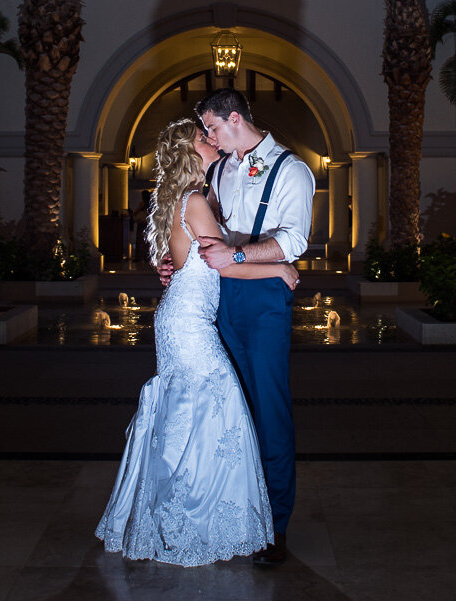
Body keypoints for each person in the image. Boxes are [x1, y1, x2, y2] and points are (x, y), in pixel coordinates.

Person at [95, 118, 300, 567]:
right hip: (189, 326)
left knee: (191, 417)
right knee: (211, 412)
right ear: (190, 155)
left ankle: (183, 515)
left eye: (210, 134)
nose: (211, 141)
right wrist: (278, 269)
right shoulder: (194, 200)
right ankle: (190, 520)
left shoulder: (188, 198)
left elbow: (197, 260)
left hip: (180, 320)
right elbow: (221, 264)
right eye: (202, 138)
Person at [164, 88, 315, 566]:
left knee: (270, 411)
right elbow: (200, 234)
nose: (207, 139)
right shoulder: (216, 169)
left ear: (233, 119)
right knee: (230, 411)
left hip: (263, 300)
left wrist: (243, 256)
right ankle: (233, 512)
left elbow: (295, 239)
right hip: (218, 299)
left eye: (210, 128)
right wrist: (176, 263)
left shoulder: (293, 169)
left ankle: (275, 526)